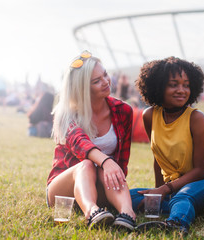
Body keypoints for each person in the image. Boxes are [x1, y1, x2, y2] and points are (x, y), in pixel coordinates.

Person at [46, 51, 136, 231]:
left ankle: (127, 214)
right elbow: (80, 142)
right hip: (64, 192)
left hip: (103, 187)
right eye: (96, 81)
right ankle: (92, 213)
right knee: (87, 165)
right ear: (82, 88)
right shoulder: (66, 114)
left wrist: (109, 167)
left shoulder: (123, 111)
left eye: (105, 75)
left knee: (104, 170)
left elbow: (121, 164)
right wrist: (106, 161)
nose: (106, 81)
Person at [130, 56, 204, 235]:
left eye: (186, 85)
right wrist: (157, 191)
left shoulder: (196, 118)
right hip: (172, 185)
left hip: (203, 180)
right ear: (158, 86)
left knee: (184, 197)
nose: (181, 90)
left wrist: (164, 190)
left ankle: (176, 224)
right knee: (129, 196)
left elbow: (200, 170)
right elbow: (158, 157)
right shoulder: (149, 115)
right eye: (173, 84)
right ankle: (185, 206)